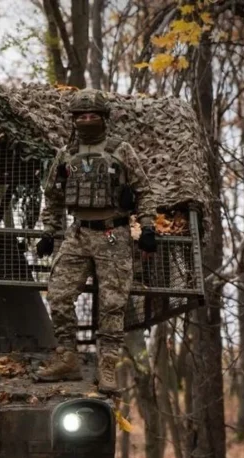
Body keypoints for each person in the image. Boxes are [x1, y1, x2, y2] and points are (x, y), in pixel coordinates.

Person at [34, 89, 156, 392]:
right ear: (74, 119)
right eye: (81, 116)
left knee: (113, 304)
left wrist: (147, 227)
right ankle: (68, 358)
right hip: (78, 234)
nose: (87, 120)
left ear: (104, 117)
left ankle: (107, 367)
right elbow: (53, 196)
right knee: (58, 295)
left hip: (113, 235)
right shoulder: (66, 154)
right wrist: (49, 231)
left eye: (92, 115)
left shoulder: (121, 150)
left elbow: (144, 191)